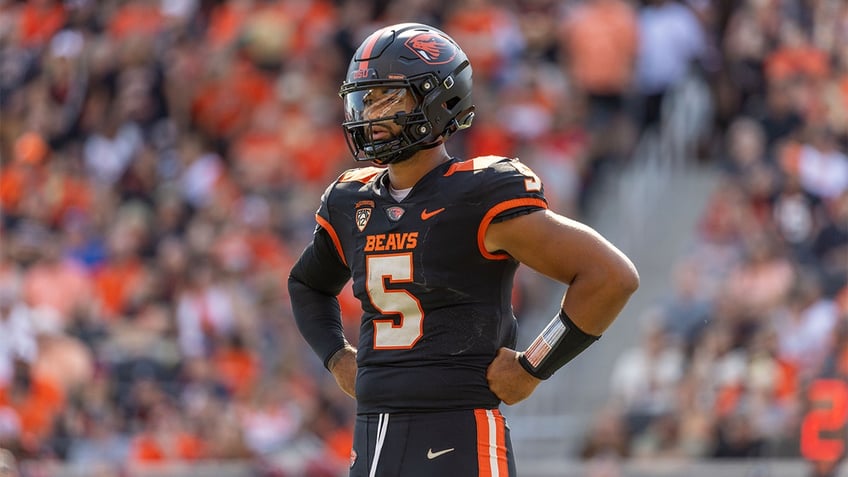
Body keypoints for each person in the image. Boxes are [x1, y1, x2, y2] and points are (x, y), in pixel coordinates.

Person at [287, 22, 639, 476]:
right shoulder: (349, 200)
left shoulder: (479, 193)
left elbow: (610, 275)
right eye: (366, 98)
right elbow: (305, 283)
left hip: (459, 435)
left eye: (388, 97)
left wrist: (534, 365)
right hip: (373, 437)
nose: (371, 113)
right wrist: (335, 356)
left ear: (439, 100)